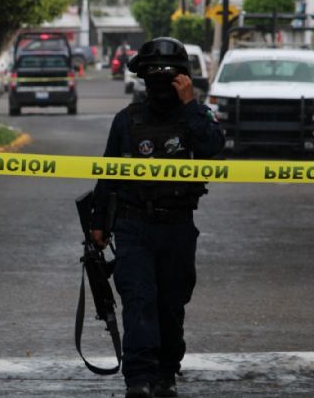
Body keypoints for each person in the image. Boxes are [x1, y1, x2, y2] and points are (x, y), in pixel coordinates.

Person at [90, 37, 224, 398]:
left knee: (170, 304)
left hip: (178, 226)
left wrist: (191, 104)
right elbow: (108, 174)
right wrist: (99, 223)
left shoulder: (195, 116)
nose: (163, 83)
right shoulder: (127, 120)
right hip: (134, 225)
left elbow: (213, 148)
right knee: (139, 300)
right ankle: (139, 378)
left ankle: (166, 373)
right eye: (156, 76)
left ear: (183, 77)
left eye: (171, 75)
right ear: (144, 80)